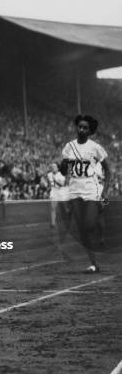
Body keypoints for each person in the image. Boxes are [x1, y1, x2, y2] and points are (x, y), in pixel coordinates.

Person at [61, 115, 110, 273]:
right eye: (79, 126)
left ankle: (99, 227)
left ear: (90, 131)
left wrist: (105, 192)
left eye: (85, 128)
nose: (81, 129)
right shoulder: (69, 147)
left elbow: (108, 171)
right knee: (82, 228)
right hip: (75, 188)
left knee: (89, 225)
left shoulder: (95, 147)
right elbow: (64, 172)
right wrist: (63, 166)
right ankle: (93, 264)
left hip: (91, 187)